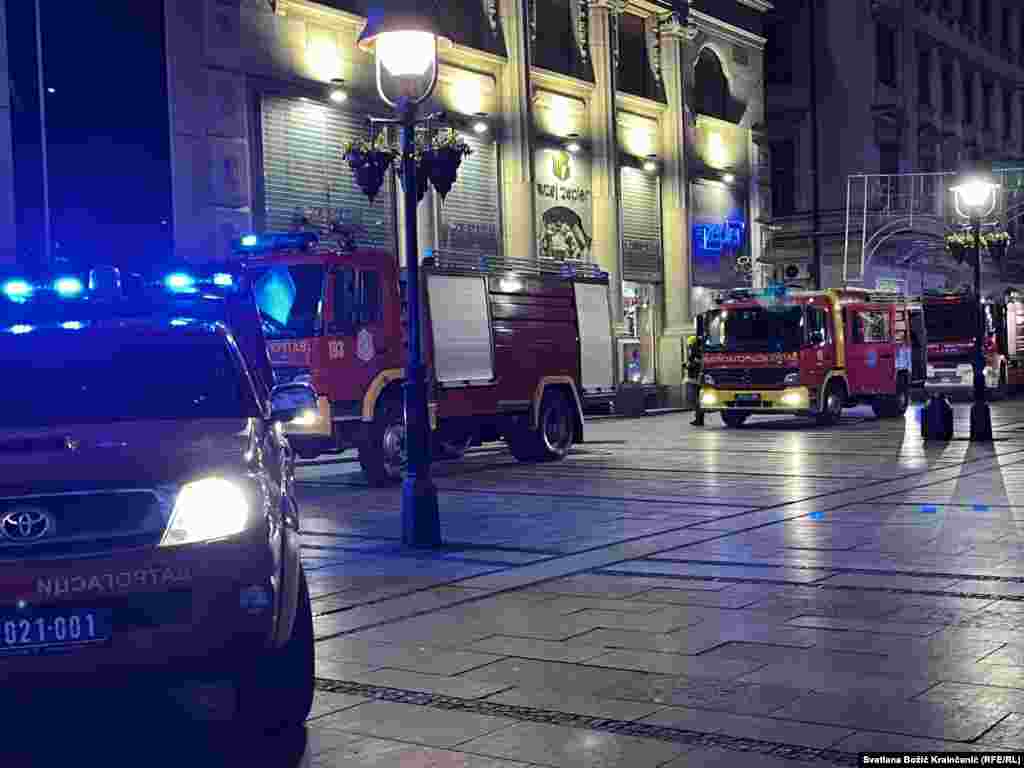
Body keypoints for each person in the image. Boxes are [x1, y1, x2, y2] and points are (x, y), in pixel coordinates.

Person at [687, 335, 704, 426]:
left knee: (696, 400)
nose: (689, 347)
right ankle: (698, 418)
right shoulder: (700, 351)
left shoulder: (695, 352)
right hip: (697, 378)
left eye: (690, 345)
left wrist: (688, 366)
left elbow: (696, 364)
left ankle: (699, 419)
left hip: (696, 379)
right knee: (697, 400)